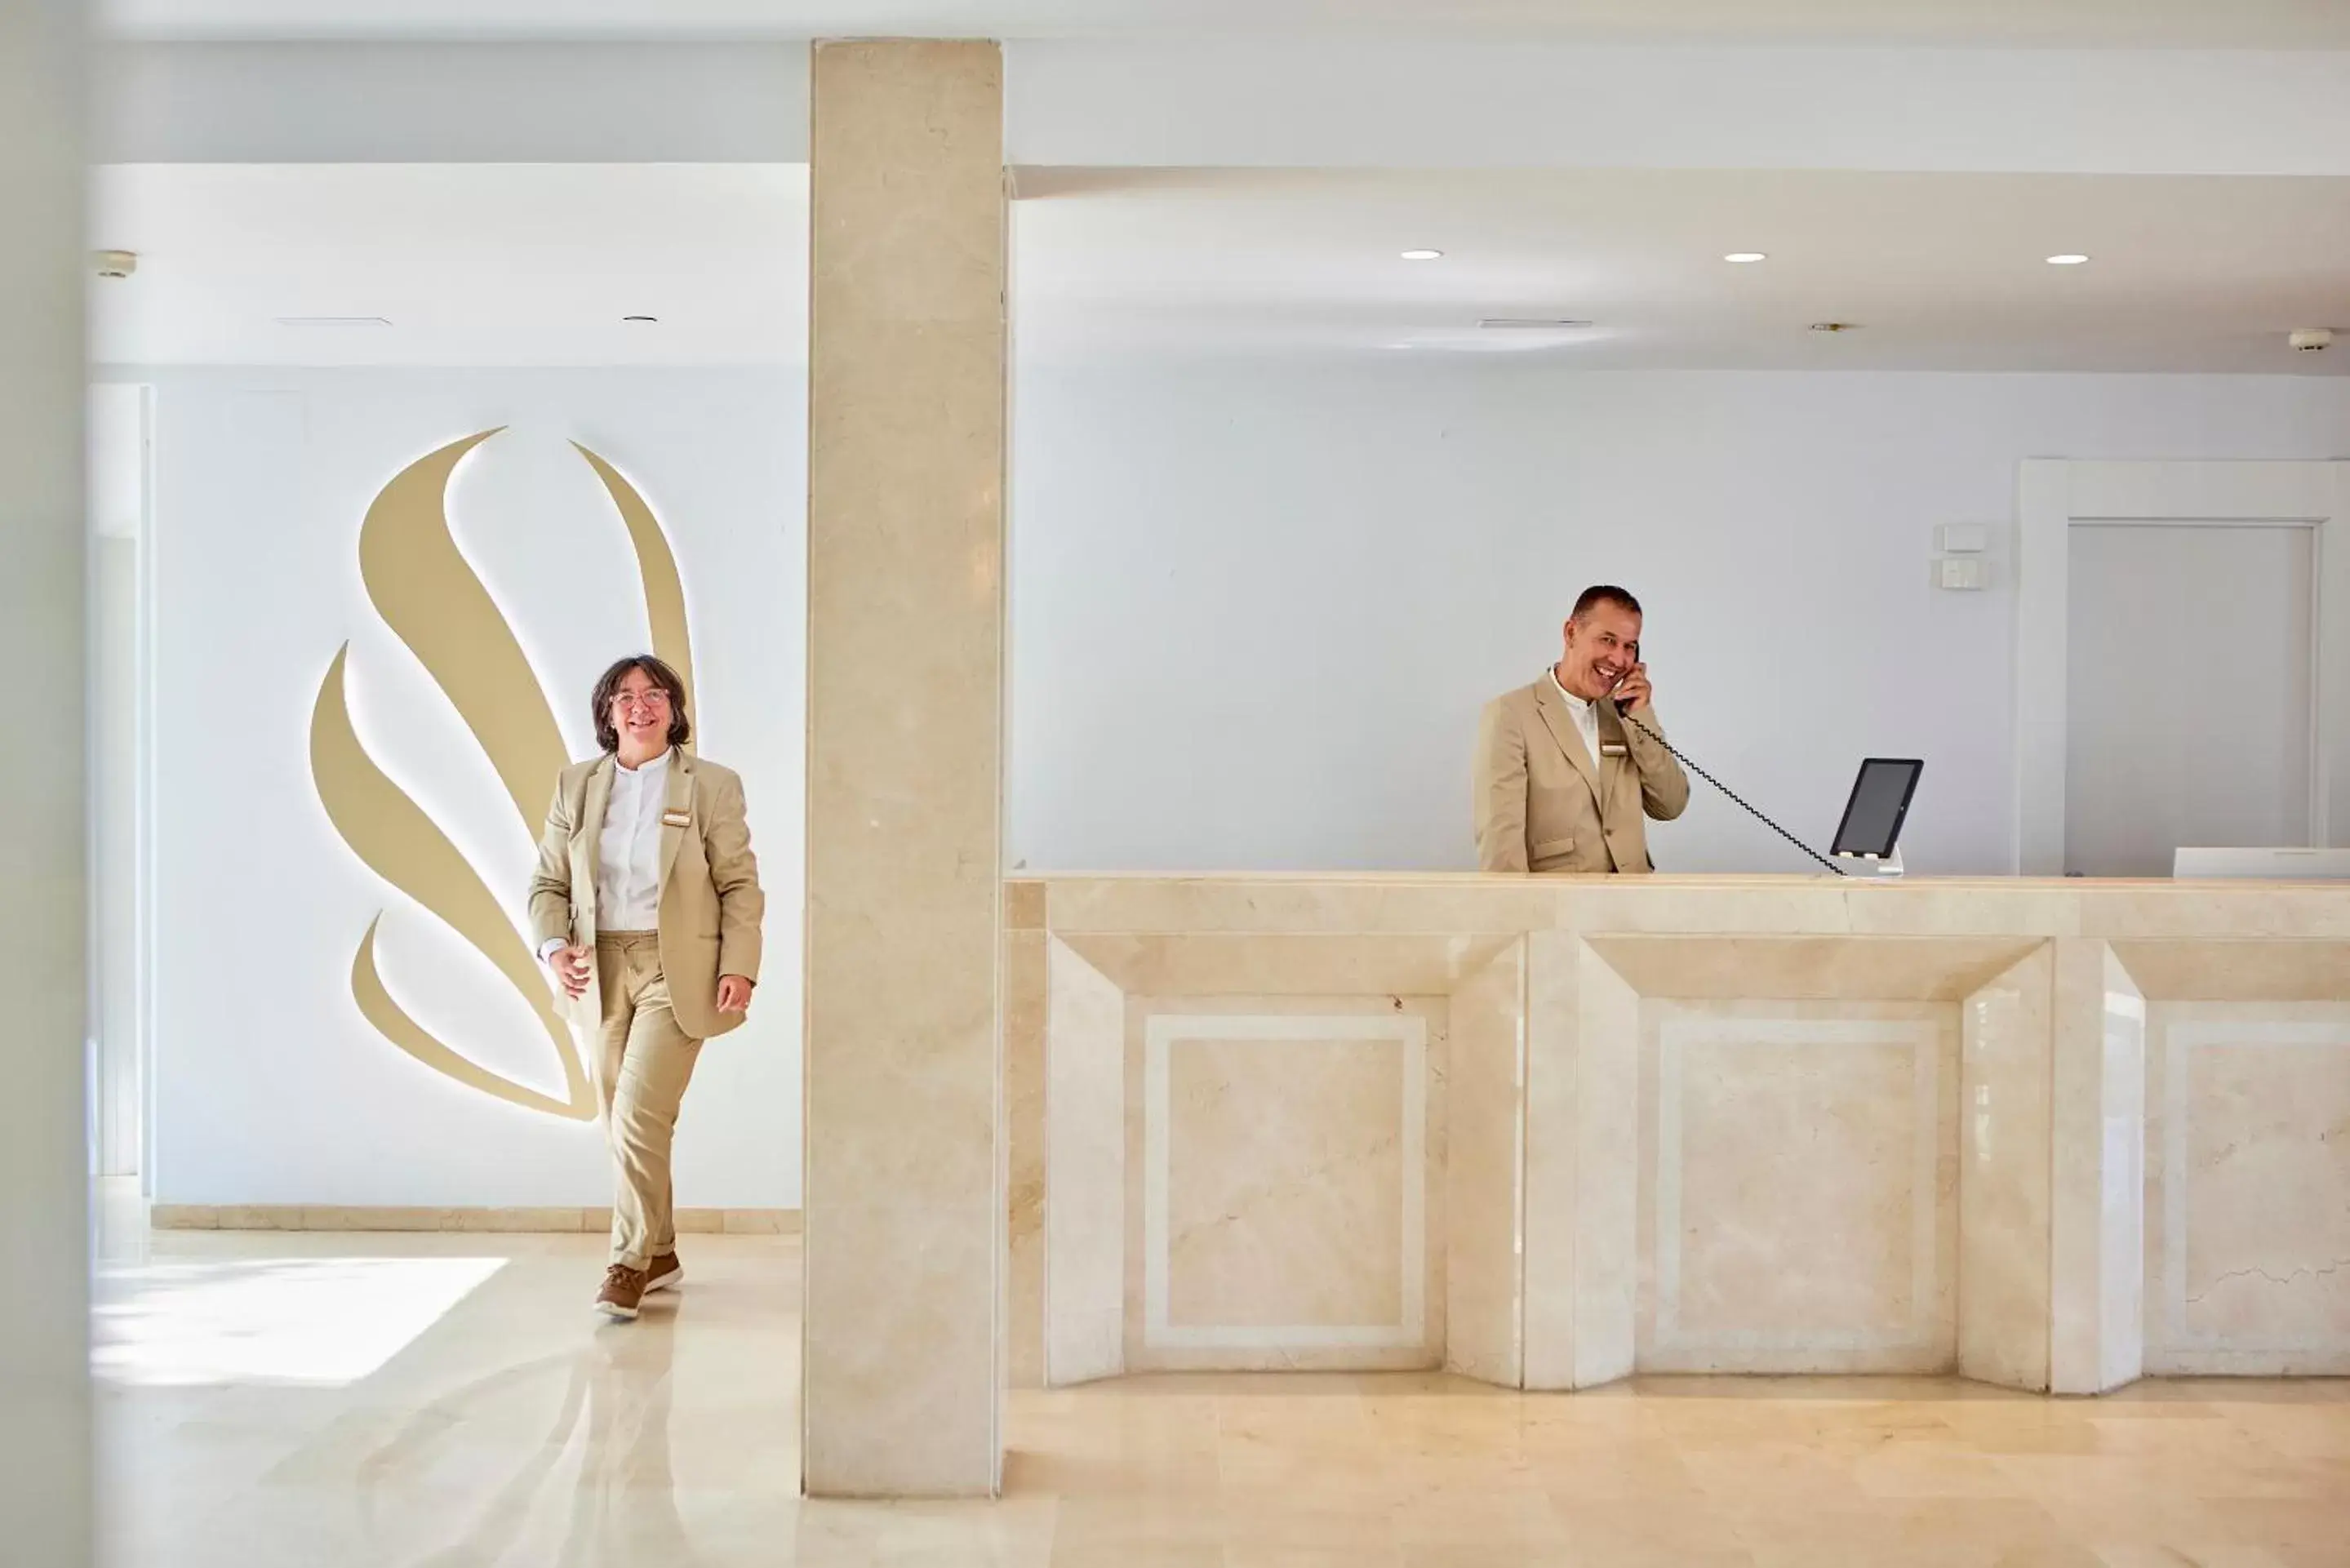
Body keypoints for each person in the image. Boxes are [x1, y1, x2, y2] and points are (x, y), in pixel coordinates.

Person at [529, 655, 764, 1321]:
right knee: (624, 1124)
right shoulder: (575, 785)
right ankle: (659, 1250)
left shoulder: (711, 785)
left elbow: (739, 882)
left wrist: (738, 964)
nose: (641, 704)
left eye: (654, 692)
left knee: (637, 1115)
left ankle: (627, 1262)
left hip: (675, 968)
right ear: (607, 711)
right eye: (625, 695)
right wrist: (553, 950)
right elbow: (547, 882)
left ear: (673, 706)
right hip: (596, 970)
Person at [1473, 584, 1690, 873]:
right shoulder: (1510, 715)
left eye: (1630, 646)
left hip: (1633, 906)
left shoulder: (1627, 715)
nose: (1618, 659)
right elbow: (1501, 850)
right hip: (1558, 911)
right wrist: (1520, 916)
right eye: (1607, 640)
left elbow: (1670, 805)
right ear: (1571, 633)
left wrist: (1642, 718)